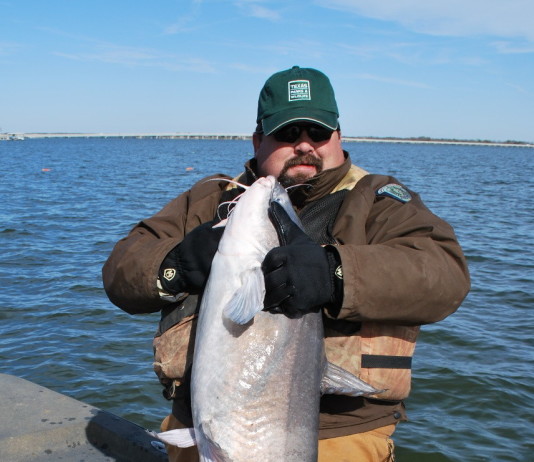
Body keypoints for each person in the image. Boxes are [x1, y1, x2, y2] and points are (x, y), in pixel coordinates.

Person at [102, 65, 470, 461]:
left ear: (339, 136)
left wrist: (335, 272)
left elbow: (443, 273)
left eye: (318, 132)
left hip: (338, 436)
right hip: (200, 426)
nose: (306, 145)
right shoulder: (209, 200)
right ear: (259, 139)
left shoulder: (378, 201)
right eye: (289, 133)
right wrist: (176, 264)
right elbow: (121, 270)